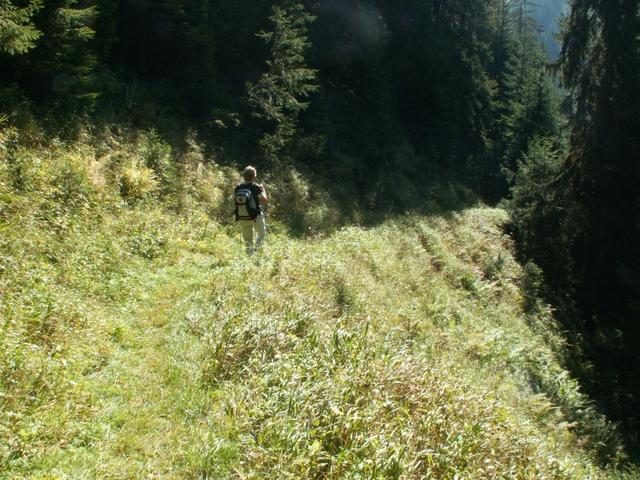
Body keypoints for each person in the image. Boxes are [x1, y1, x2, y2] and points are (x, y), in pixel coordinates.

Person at [234, 165, 268, 254]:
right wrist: (263, 190)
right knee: (261, 234)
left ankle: (250, 256)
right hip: (256, 216)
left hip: (242, 216)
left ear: (244, 175)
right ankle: (256, 253)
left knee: (248, 240)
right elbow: (264, 200)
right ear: (254, 176)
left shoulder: (238, 187)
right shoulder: (256, 187)